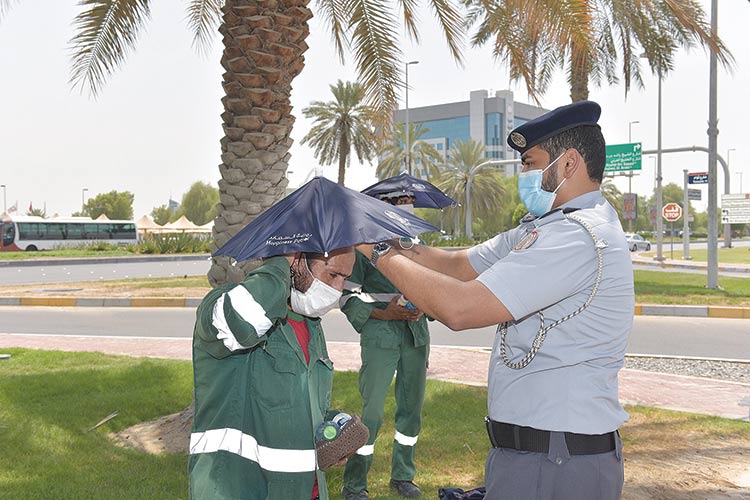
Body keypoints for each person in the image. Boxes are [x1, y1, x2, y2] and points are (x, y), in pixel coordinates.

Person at [356, 101, 634, 500]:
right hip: (536, 453)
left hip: (556, 459)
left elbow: (461, 307)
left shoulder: (576, 236)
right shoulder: (548, 227)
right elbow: (456, 265)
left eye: (530, 163)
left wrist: (374, 251)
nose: (523, 175)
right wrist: (376, 230)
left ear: (569, 163)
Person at [189, 247, 356, 500]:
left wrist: (332, 425)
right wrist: (281, 262)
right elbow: (240, 323)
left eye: (345, 278)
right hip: (240, 489)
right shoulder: (226, 306)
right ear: (297, 262)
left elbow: (292, 402)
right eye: (333, 275)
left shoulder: (311, 325)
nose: (338, 289)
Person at [340, 192, 429, 500]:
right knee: (372, 411)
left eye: (408, 201)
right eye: (398, 202)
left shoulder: (419, 248)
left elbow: (437, 289)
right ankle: (354, 484)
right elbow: (346, 298)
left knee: (411, 410)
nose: (405, 206)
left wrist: (424, 306)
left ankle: (403, 476)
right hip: (380, 334)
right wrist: (383, 312)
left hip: (415, 335)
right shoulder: (364, 248)